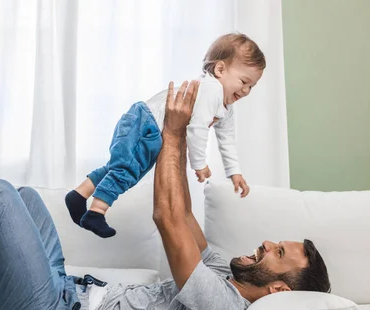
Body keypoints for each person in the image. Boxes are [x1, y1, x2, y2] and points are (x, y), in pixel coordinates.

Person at [0, 81, 331, 310]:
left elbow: (167, 219)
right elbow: (186, 214)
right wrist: (176, 136)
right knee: (24, 198)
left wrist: (174, 133)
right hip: (62, 292)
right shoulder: (221, 275)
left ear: (277, 289)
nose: (267, 243)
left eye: (278, 253)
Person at [65, 33, 266, 238]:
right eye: (243, 81)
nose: (246, 90)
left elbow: (227, 139)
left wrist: (235, 172)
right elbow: (198, 128)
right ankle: (96, 213)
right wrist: (199, 164)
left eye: (252, 86)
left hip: (148, 126)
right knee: (126, 170)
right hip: (146, 123)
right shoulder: (211, 90)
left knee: (117, 168)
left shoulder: (225, 107)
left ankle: (79, 195)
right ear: (220, 69)